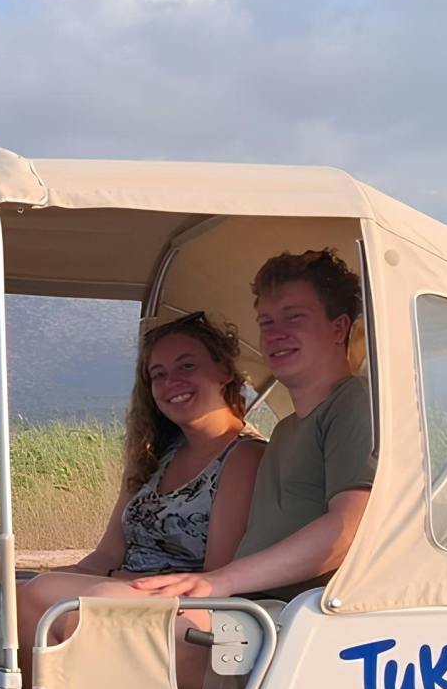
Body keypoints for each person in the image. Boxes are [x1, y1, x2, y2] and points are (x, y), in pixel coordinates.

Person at [16, 312, 264, 663]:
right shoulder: (157, 456)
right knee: (12, 594)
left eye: (187, 366)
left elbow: (215, 576)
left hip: (193, 611)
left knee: (49, 597)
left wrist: (113, 582)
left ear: (223, 371)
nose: (171, 382)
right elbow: (106, 557)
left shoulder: (244, 456)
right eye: (158, 374)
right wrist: (31, 581)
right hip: (127, 591)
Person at [133, 248, 376, 606]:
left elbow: (347, 532)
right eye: (266, 323)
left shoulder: (353, 404)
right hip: (247, 606)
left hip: (288, 617)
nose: (275, 334)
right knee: (51, 595)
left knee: (57, 602)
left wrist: (221, 581)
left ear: (338, 328)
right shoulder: (285, 430)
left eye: (294, 318)